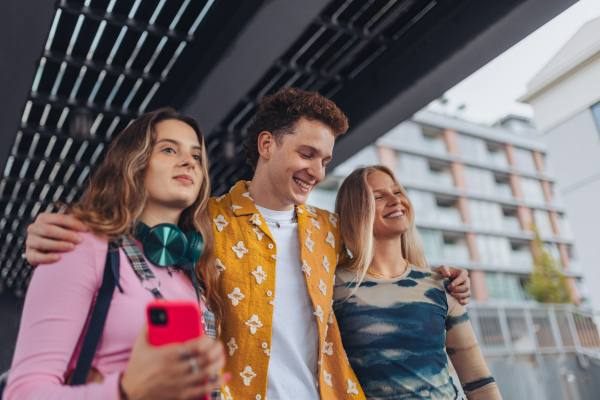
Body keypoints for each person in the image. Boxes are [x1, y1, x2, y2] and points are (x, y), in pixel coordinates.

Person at [24, 88, 472, 399]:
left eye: (325, 160)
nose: (316, 171)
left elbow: (383, 269)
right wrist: (54, 227)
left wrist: (443, 275)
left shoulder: (331, 228)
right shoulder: (203, 221)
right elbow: (136, 230)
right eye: (307, 154)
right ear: (266, 144)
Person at [5, 108, 228, 400]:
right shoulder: (81, 246)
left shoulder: (193, 278)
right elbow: (22, 392)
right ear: (133, 163)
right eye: (169, 149)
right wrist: (125, 391)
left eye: (197, 156)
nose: (189, 162)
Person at [332, 165, 502, 400]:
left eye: (398, 192)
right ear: (355, 211)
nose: (395, 200)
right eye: (379, 197)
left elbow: (479, 383)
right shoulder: (333, 287)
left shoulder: (440, 286)